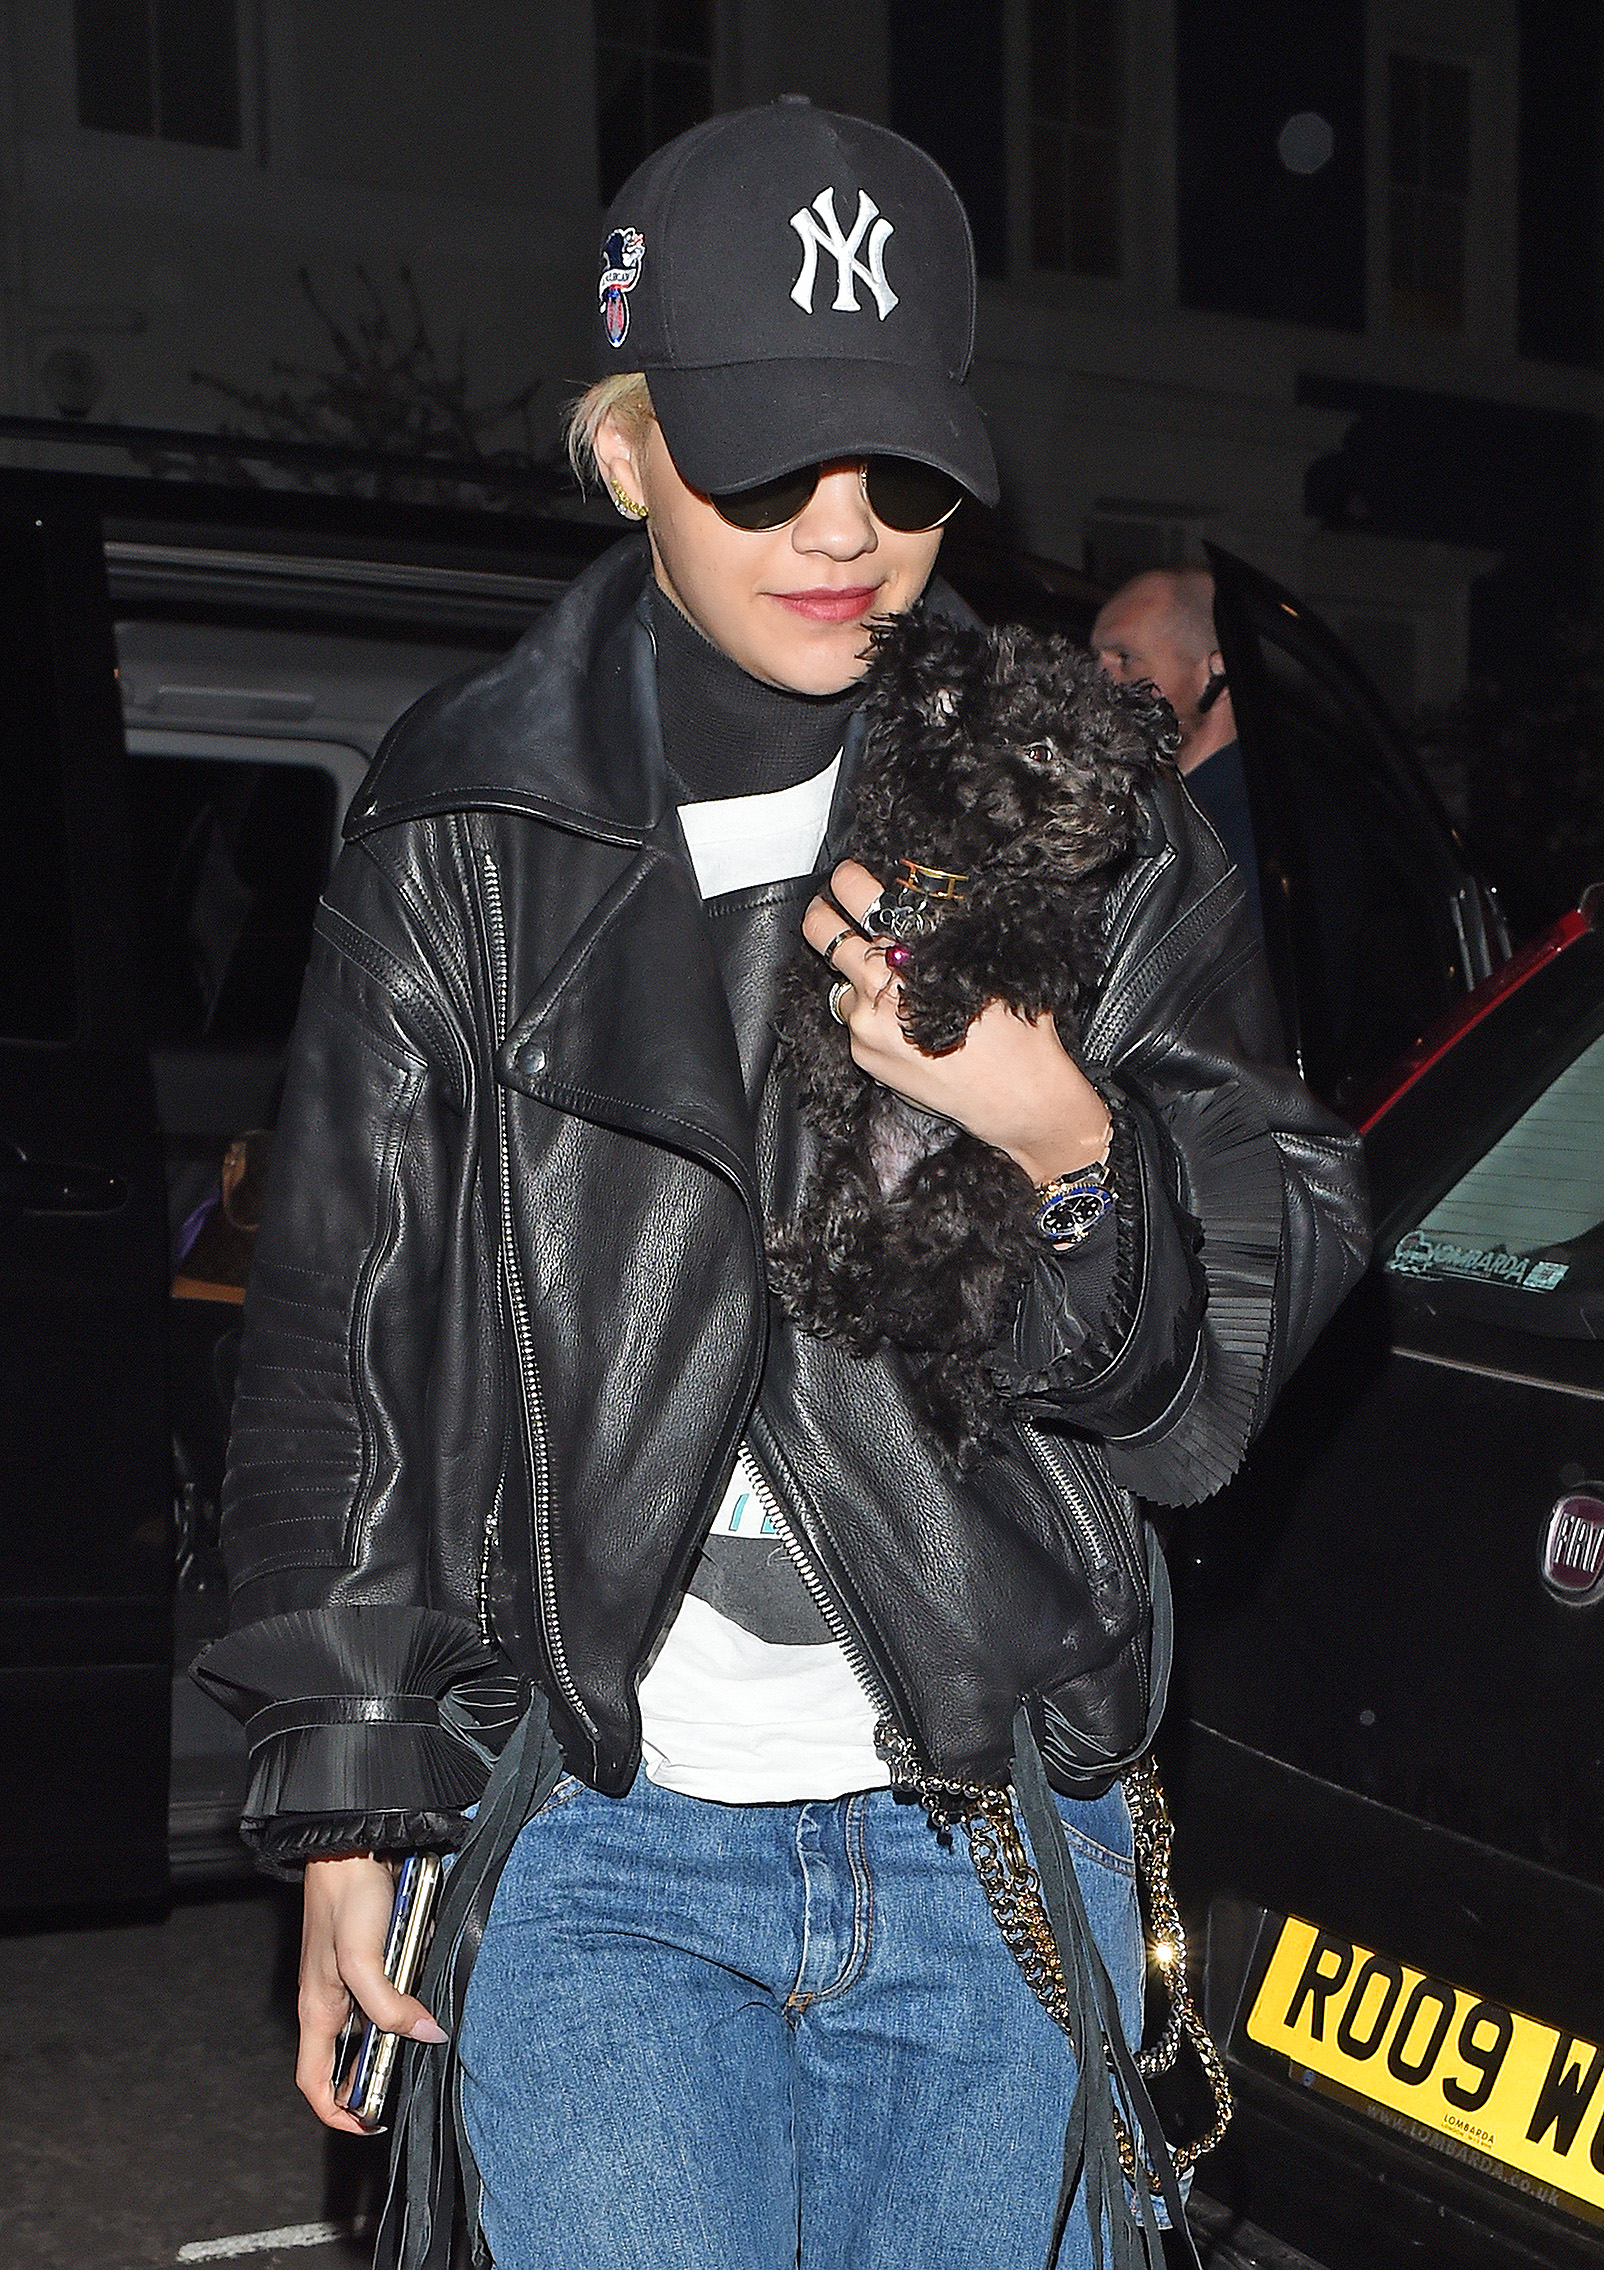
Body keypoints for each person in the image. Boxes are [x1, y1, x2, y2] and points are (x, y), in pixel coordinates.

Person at [194, 100, 1368, 2270]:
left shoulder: (1074, 813)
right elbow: (349, 1327)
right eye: (763, 466)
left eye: (898, 472)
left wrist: (1058, 1133)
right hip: (594, 1834)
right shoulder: (465, 822)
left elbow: (1212, 1375)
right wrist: (349, 1794)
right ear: (626, 446)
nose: (844, 533)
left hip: (986, 1829)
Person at [1091, 568, 1263, 943]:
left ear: (1215, 673)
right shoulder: (1146, 804)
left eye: (1125, 658)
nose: (1097, 681)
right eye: (1097, 658)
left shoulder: (1246, 840)